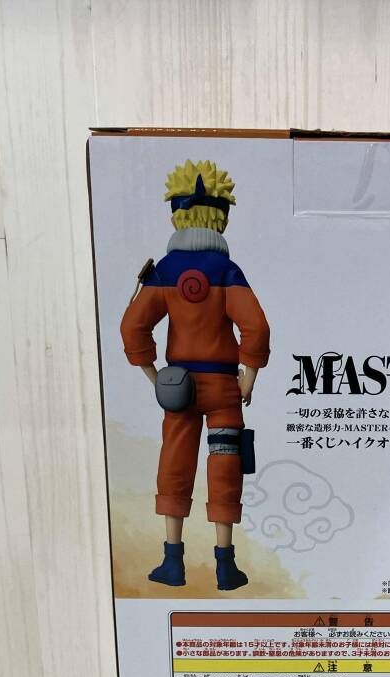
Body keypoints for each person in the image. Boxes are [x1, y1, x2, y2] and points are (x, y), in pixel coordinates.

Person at [120, 159, 271, 590]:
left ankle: (172, 562)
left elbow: (132, 326)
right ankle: (225, 565)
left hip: (179, 388)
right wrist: (249, 376)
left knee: (175, 464)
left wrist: (155, 377)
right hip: (224, 388)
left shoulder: (165, 271)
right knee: (225, 465)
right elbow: (256, 326)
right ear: (221, 217)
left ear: (177, 216)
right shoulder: (227, 271)